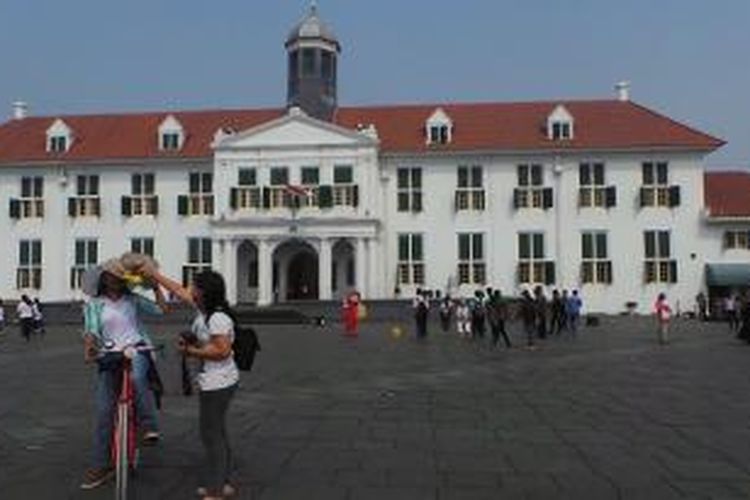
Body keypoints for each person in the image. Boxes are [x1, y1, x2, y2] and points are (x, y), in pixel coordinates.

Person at [145, 267, 239, 500]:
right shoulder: (204, 310)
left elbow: (222, 351)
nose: (191, 289)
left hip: (218, 383)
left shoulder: (217, 318)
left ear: (204, 292)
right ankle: (222, 483)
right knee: (217, 432)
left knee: (211, 435)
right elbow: (177, 290)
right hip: (215, 380)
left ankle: (216, 491)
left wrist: (190, 350)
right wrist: (154, 275)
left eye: (195, 286)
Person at [80, 259, 168, 490]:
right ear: (103, 279)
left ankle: (149, 425)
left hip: (136, 348)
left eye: (118, 277)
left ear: (124, 280)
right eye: (109, 276)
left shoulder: (134, 300)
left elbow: (162, 310)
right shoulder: (94, 304)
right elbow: (90, 330)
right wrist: (89, 346)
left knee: (139, 379)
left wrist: (156, 285)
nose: (114, 280)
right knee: (103, 411)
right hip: (109, 353)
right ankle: (102, 465)